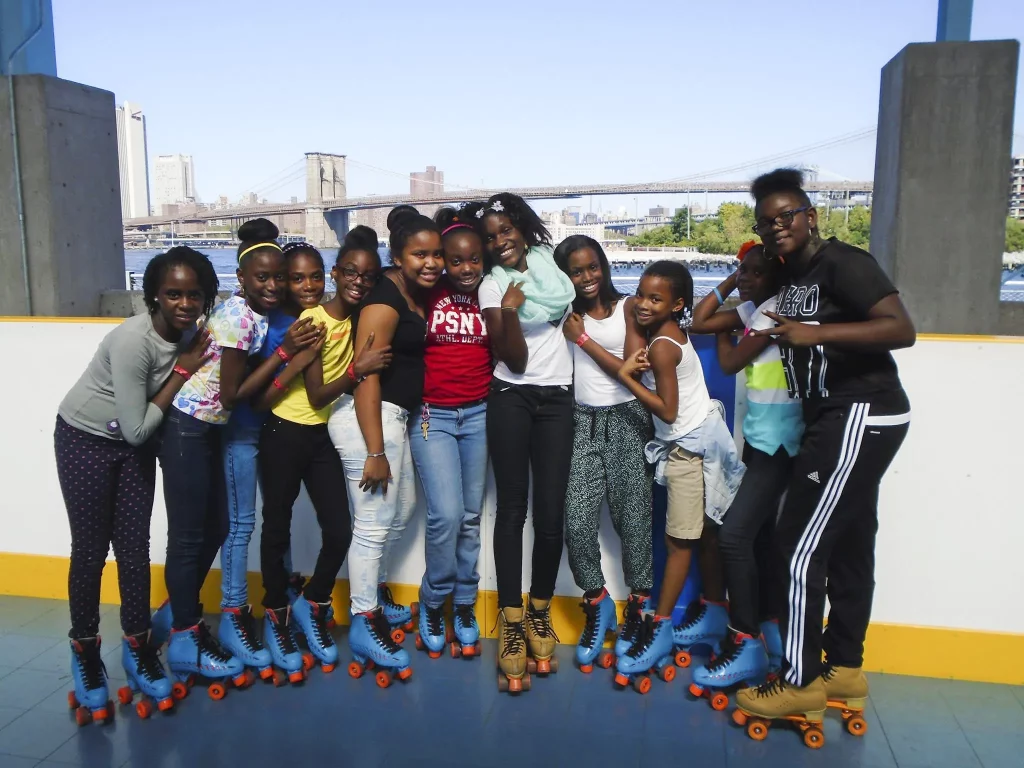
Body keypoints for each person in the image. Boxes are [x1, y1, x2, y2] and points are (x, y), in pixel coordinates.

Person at [734, 169, 914, 731]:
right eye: (766, 222)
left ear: (811, 215)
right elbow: (725, 324)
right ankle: (845, 669)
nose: (776, 227)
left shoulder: (844, 262)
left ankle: (798, 680)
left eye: (786, 216)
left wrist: (819, 334)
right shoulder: (790, 272)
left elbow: (900, 329)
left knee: (796, 546)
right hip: (841, 416)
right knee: (850, 542)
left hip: (859, 410)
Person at [156, 219, 320, 697]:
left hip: (231, 431)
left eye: (278, 277)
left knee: (239, 526)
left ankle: (189, 615)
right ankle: (225, 616)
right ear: (242, 277)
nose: (272, 285)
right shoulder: (239, 317)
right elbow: (232, 396)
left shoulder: (263, 314)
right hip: (212, 430)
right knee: (227, 528)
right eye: (261, 277)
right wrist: (287, 356)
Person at [56, 247, 215, 722]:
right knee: (90, 549)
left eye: (194, 294)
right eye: (172, 294)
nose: (184, 304)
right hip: (85, 437)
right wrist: (184, 369)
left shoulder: (194, 333)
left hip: (131, 444)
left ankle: (137, 647)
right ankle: (85, 653)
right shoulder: (133, 342)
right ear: (154, 296)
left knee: (133, 549)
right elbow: (138, 430)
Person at [256, 233, 390, 680]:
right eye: (349, 272)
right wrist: (357, 371)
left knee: (339, 529)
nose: (358, 281)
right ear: (339, 274)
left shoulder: (353, 314)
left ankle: (313, 603)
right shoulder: (313, 322)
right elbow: (315, 395)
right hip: (285, 431)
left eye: (367, 276)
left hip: (319, 438)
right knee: (276, 526)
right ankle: (276, 614)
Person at [612, 261, 744, 689]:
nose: (643, 304)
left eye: (655, 298)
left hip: (690, 449)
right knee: (704, 534)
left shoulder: (665, 345)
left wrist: (625, 377)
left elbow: (666, 410)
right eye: (640, 294)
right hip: (700, 440)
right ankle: (715, 613)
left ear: (677, 304)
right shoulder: (668, 333)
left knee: (678, 542)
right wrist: (733, 279)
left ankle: (661, 628)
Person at [329, 210, 443, 684]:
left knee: (402, 511)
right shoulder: (384, 302)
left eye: (436, 253)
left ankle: (370, 596)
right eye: (420, 254)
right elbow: (366, 378)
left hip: (396, 418)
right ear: (397, 257)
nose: (432, 262)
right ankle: (364, 621)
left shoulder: (411, 294)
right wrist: (375, 451)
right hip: (370, 421)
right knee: (374, 525)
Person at [687, 241, 802, 703]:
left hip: (781, 441)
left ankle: (746, 641)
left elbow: (731, 359)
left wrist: (737, 317)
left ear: (776, 274)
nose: (747, 278)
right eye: (743, 271)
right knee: (762, 539)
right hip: (762, 438)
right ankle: (769, 634)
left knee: (734, 536)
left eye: (755, 272)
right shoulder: (760, 309)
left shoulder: (772, 315)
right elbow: (698, 319)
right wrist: (735, 284)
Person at [476, 193, 576, 692]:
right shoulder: (492, 287)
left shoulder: (549, 266)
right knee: (513, 510)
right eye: (490, 237)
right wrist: (511, 311)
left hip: (557, 396)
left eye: (505, 231)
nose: (500, 243)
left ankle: (539, 611)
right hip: (511, 396)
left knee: (551, 512)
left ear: (520, 227)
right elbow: (513, 359)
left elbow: (571, 303)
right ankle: (512, 623)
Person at [552, 235, 654, 673]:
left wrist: (583, 341)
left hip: (628, 419)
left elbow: (630, 369)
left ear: (604, 266)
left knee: (634, 523)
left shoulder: (628, 307)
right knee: (574, 521)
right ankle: (598, 603)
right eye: (576, 271)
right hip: (582, 422)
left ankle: (639, 611)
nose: (587, 277)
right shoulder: (563, 314)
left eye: (593, 267)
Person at [408, 205, 491, 659]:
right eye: (455, 260)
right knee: (445, 516)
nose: (464, 269)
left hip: (478, 414)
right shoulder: (428, 290)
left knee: (471, 517)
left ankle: (463, 604)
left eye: (473, 260)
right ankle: (432, 599)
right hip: (431, 416)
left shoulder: (492, 292)